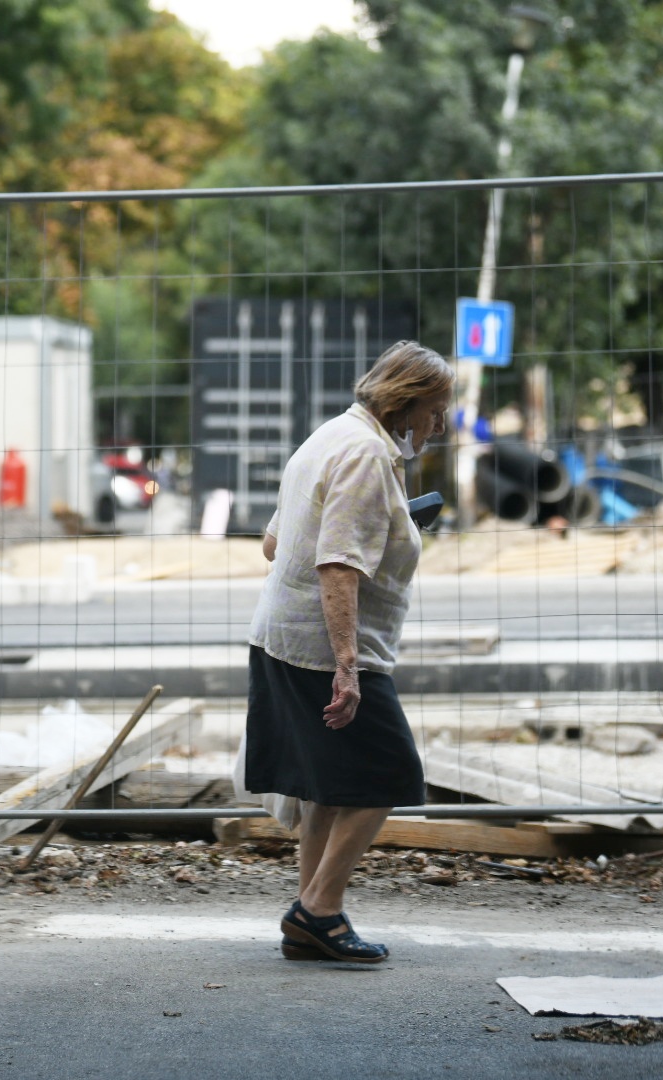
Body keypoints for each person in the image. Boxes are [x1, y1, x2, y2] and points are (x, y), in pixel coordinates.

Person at [244, 340, 453, 963]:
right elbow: (336, 564)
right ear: (407, 402)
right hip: (323, 647)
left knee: (328, 787)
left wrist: (390, 527)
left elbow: (272, 543)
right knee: (390, 772)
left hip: (282, 636)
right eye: (436, 410)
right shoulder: (365, 455)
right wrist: (347, 667)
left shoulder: (332, 435)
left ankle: (312, 917)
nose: (439, 425)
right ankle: (320, 908)